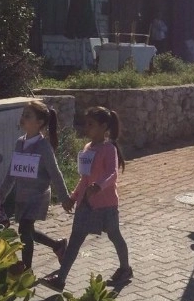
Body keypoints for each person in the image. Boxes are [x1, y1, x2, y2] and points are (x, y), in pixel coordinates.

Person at [41, 106, 132, 290]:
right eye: (86, 123)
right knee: (74, 241)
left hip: (106, 205)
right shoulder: (87, 148)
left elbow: (112, 174)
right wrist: (73, 197)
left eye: (91, 124)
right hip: (86, 204)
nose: (86, 127)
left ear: (103, 126)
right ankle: (61, 279)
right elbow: (84, 178)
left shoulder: (109, 149)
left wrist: (98, 186)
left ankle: (125, 268)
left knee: (115, 236)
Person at [0, 100, 70, 272]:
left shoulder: (44, 146)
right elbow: (11, 173)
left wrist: (65, 198)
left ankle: (27, 270)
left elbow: (55, 173)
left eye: (28, 116)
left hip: (38, 196)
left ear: (40, 122)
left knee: (24, 230)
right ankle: (58, 245)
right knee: (28, 231)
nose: (22, 118)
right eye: (23, 114)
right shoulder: (19, 143)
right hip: (22, 196)